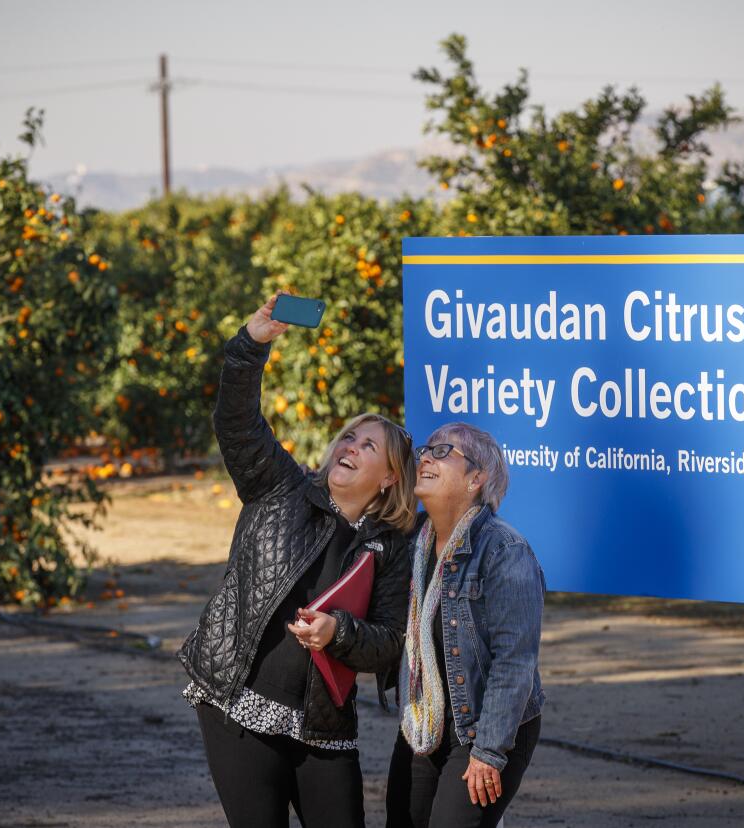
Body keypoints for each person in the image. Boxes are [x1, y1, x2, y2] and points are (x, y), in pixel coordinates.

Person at [178, 294, 417, 828]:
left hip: (323, 726)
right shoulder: (280, 487)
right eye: (348, 437)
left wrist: (339, 632)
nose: (349, 446)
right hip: (235, 704)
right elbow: (237, 424)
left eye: (368, 446)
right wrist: (249, 348)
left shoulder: (393, 545)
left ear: (389, 478)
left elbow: (388, 645)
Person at [386, 422, 546, 828]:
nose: (425, 457)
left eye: (443, 452)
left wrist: (489, 752)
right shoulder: (412, 545)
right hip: (425, 723)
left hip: (486, 727)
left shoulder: (506, 551)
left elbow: (515, 662)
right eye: (426, 450)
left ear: (476, 478)